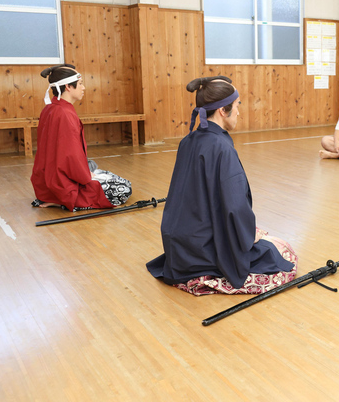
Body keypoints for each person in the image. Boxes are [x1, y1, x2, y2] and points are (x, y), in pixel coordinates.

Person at [146, 76, 296, 293]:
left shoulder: (188, 140)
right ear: (222, 111)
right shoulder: (221, 147)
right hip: (201, 249)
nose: (239, 112)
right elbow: (235, 206)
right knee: (278, 253)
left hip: (179, 244)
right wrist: (247, 236)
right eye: (237, 106)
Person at [31, 64, 132, 211]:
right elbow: (71, 156)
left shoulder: (50, 109)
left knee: (99, 170)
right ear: (68, 87)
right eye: (80, 84)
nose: (83, 88)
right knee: (124, 187)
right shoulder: (65, 114)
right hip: (63, 185)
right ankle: (62, 200)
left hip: (47, 182)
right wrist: (86, 176)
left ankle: (54, 196)